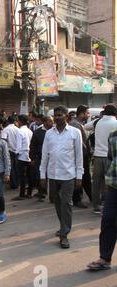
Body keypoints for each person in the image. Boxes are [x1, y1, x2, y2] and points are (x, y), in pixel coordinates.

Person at [40, 106, 83, 249]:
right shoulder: (49, 134)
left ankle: (64, 234)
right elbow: (44, 155)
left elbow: (79, 156)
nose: (57, 117)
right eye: (55, 115)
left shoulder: (75, 133)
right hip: (53, 175)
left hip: (68, 175)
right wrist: (42, 174)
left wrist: (79, 175)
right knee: (57, 204)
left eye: (60, 115)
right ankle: (63, 225)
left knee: (66, 204)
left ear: (66, 117)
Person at [87, 128, 117, 271]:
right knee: (108, 220)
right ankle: (105, 258)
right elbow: (111, 159)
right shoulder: (113, 135)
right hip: (114, 187)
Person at [91, 104, 117, 215]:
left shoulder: (97, 122)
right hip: (109, 157)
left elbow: (86, 127)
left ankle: (96, 206)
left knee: (96, 183)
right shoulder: (115, 123)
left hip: (97, 156)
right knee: (109, 183)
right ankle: (107, 207)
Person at [69, 105, 92, 208]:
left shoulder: (79, 124)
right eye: (87, 113)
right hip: (79, 156)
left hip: (83, 155)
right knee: (81, 177)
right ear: (81, 113)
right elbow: (79, 143)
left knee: (85, 177)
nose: (88, 115)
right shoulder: (75, 125)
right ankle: (77, 199)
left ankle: (92, 197)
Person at [29, 116, 53, 202]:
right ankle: (42, 192)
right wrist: (32, 158)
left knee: (53, 176)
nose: (52, 123)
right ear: (45, 122)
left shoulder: (55, 131)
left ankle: (53, 195)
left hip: (53, 158)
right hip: (40, 157)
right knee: (41, 175)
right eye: (50, 121)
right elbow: (33, 146)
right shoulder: (38, 132)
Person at [13, 115, 34, 200]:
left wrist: (16, 155)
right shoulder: (30, 131)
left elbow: (18, 145)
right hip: (29, 155)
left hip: (22, 156)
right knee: (30, 175)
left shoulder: (20, 131)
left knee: (22, 176)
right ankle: (29, 193)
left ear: (20, 121)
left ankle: (22, 194)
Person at [1, 116, 20, 189]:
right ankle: (17, 183)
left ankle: (13, 184)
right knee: (16, 167)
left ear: (8, 122)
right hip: (17, 151)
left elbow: (3, 140)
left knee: (10, 167)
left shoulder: (6, 129)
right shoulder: (18, 129)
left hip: (9, 151)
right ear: (15, 121)